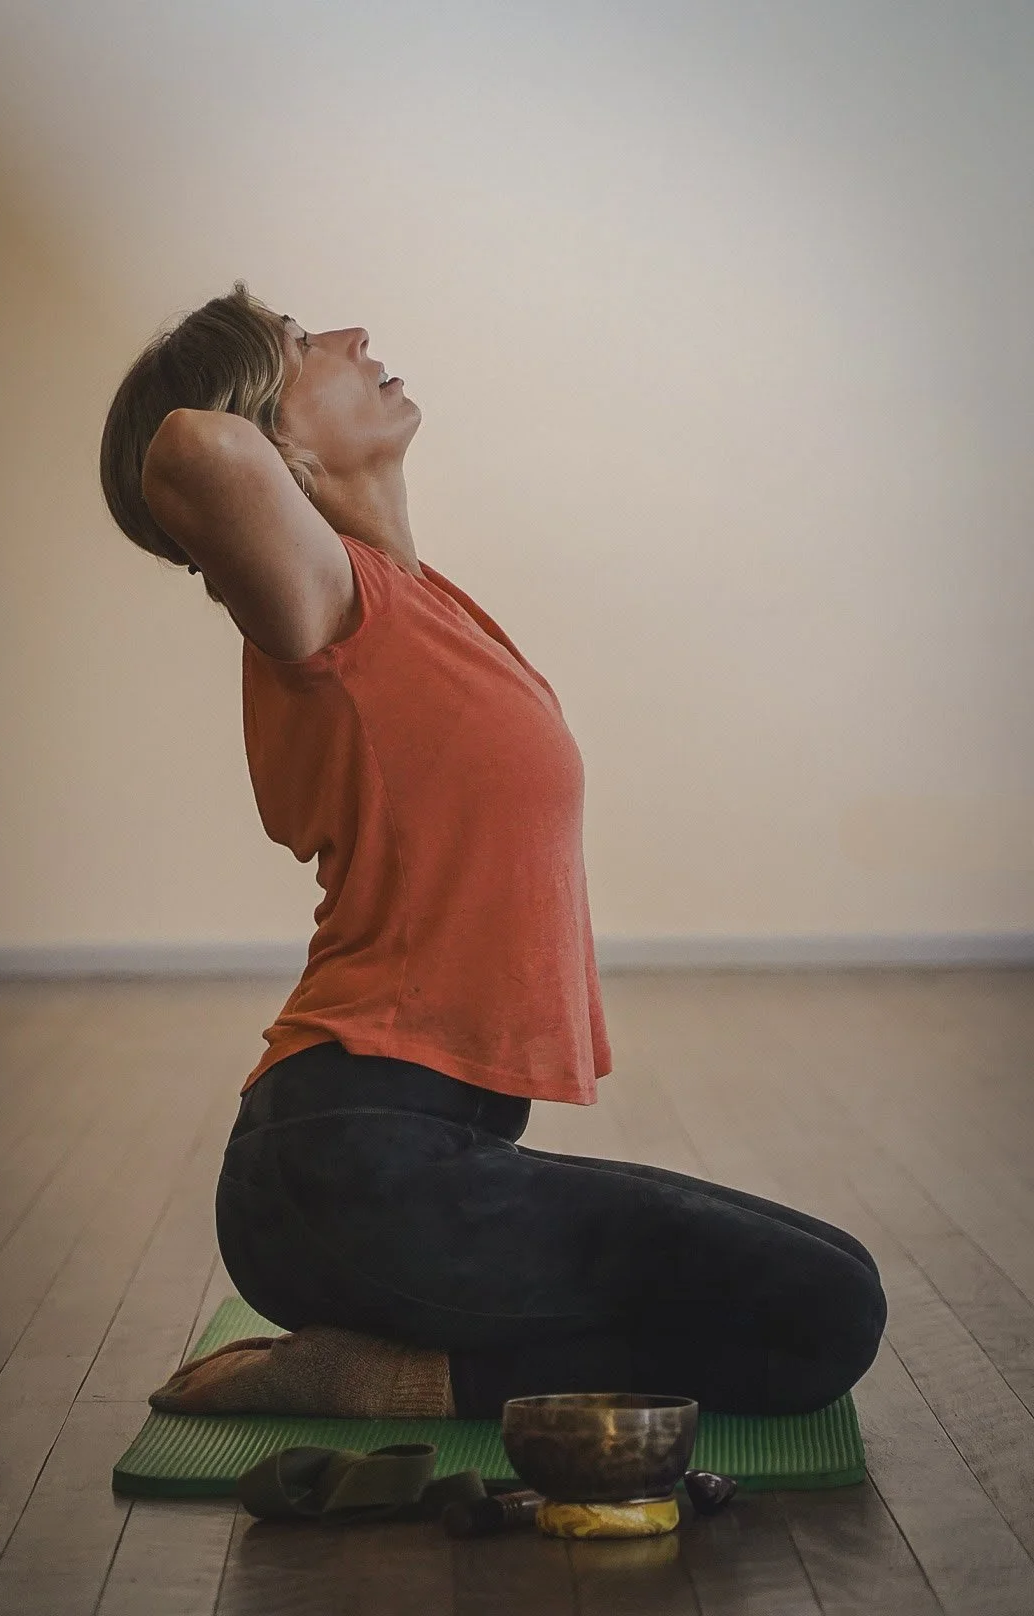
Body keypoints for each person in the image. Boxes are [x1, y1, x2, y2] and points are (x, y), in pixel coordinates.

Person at [99, 281, 887, 1420]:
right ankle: (388, 1378)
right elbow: (183, 448)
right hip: (351, 1161)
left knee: (825, 1295)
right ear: (273, 439)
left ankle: (400, 1360)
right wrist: (246, 411)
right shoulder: (321, 607)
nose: (352, 334)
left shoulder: (417, 604)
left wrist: (281, 389)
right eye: (301, 341)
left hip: (404, 1165)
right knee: (825, 1309)